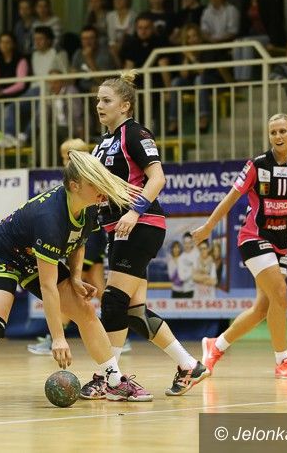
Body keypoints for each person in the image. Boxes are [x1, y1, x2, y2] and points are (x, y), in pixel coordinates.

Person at [0, 150, 152, 402]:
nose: (102, 190)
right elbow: (48, 287)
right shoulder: (49, 218)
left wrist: (75, 277)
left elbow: (79, 241)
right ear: (75, 186)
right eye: (95, 184)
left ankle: (114, 382)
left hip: (32, 256)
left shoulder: (91, 206)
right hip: (2, 255)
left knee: (86, 311)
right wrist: (58, 338)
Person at [80, 70, 209, 400]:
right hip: (117, 227)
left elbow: (157, 177)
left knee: (113, 301)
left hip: (141, 224)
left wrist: (134, 211)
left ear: (125, 105)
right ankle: (189, 365)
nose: (99, 105)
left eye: (106, 100)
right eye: (97, 100)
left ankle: (107, 379)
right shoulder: (103, 143)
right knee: (134, 312)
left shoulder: (135, 133)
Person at [193, 113, 287, 378]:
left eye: (282, 131)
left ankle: (215, 345)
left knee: (263, 308)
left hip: (280, 244)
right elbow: (231, 198)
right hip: (253, 238)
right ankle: (283, 361)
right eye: (273, 132)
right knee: (280, 291)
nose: (277, 136)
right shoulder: (257, 165)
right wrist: (209, 227)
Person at [28, 139, 131, 356]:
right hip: (90, 237)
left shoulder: (86, 180)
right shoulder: (76, 182)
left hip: (87, 238)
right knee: (100, 287)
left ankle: (56, 337)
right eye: (63, 156)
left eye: (67, 155)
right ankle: (120, 334)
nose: (65, 160)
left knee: (72, 292)